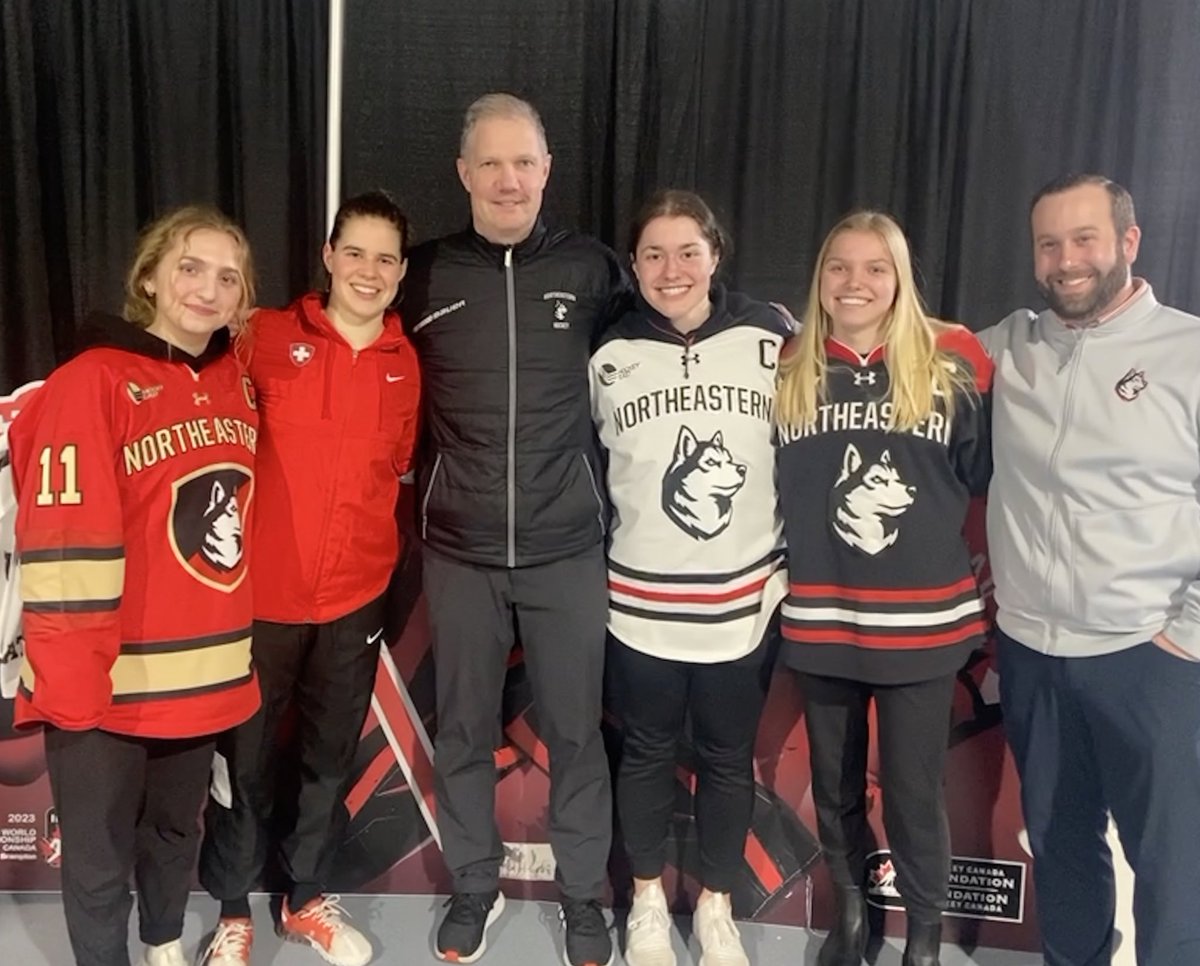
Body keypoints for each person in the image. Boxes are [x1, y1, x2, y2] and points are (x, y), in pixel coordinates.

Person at [404, 92, 630, 966]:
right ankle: (473, 884)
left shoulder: (594, 269)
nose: (508, 179)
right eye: (490, 163)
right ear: (463, 174)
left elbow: (676, 327)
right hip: (458, 551)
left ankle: (584, 899)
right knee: (462, 730)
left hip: (567, 546)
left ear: (547, 171)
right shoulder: (422, 276)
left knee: (576, 732)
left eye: (523, 162)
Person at [7, 206, 261, 966]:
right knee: (97, 860)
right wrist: (74, 684)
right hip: (106, 682)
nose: (207, 289)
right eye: (190, 267)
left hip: (204, 675)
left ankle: (163, 946)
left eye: (227, 276)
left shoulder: (234, 385)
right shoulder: (90, 380)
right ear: (148, 276)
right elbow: (62, 543)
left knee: (175, 833)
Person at [980, 174, 1200, 966]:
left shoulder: (1189, 351)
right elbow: (906, 349)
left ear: (1128, 243)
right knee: (1063, 852)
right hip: (1035, 654)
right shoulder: (1011, 345)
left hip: (1151, 658)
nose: (1066, 260)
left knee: (1176, 873)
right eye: (1049, 244)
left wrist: (1187, 635)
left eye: (1084, 239)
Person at [198, 191, 421, 966]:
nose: (369, 270)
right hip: (261, 600)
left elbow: (394, 474)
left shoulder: (404, 364)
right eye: (354, 252)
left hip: (354, 603)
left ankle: (305, 900)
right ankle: (232, 910)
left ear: (400, 273)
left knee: (328, 761)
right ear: (328, 257)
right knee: (246, 764)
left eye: (385, 258)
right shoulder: (260, 336)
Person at [774, 211, 992, 966]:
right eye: (839, 267)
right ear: (820, 279)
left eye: (874, 267)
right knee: (834, 787)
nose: (855, 283)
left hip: (923, 622)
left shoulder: (955, 355)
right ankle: (854, 919)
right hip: (823, 617)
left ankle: (923, 935)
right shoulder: (790, 360)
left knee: (911, 790)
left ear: (899, 277)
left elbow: (979, 473)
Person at [588, 189, 790, 966]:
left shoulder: (773, 335)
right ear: (632, 263)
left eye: (687, 251)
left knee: (726, 756)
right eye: (652, 254)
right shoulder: (607, 352)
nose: (670, 270)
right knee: (643, 751)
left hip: (742, 598)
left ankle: (715, 905)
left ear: (715, 252)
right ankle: (643, 900)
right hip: (639, 600)